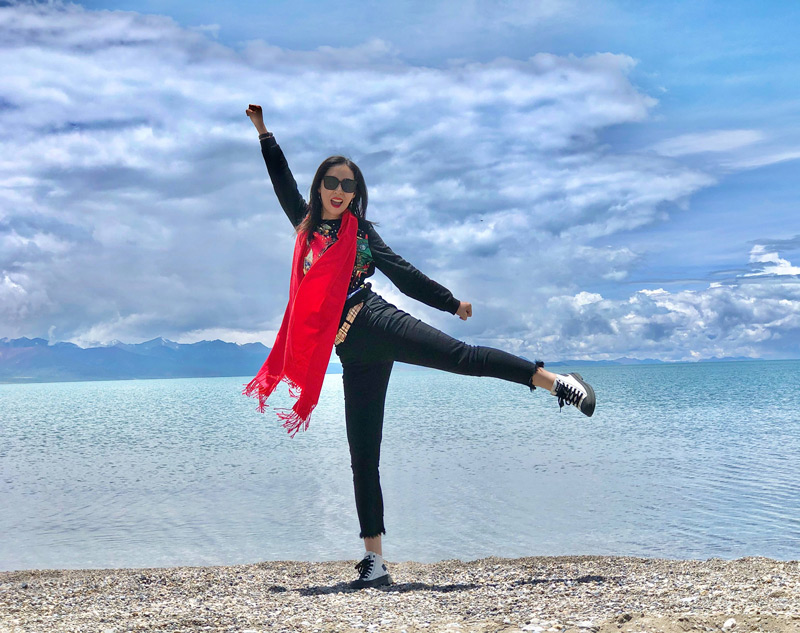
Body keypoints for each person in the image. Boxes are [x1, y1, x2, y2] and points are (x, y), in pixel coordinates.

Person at [244, 104, 596, 590]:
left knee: (461, 358)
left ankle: (556, 382)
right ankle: (374, 561)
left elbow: (404, 275)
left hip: (376, 319)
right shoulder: (306, 224)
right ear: (319, 186)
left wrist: (450, 303)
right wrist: (264, 132)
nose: (340, 190)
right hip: (350, 352)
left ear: (356, 193)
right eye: (332, 182)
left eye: (349, 185)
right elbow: (280, 180)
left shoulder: (362, 233)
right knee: (362, 455)